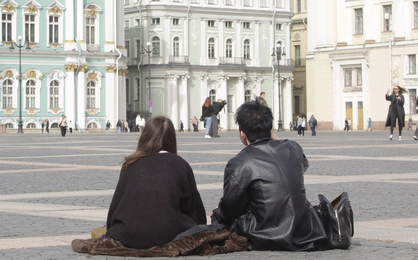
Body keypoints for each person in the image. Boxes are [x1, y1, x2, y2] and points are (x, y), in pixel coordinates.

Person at [211, 100, 327, 251]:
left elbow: (230, 209)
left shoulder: (239, 163)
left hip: (266, 233)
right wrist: (274, 138)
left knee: (220, 220)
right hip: (305, 229)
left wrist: (216, 214)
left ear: (242, 133)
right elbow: (302, 165)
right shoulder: (293, 148)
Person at [105, 116, 208, 249]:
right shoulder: (180, 164)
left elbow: (116, 205)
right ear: (172, 139)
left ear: (145, 137)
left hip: (130, 235)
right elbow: (195, 209)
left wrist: (113, 230)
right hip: (172, 234)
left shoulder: (131, 164)